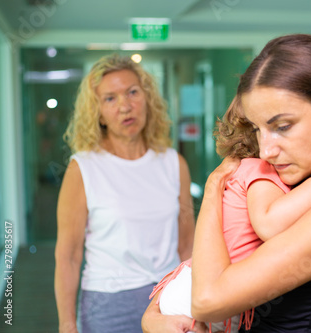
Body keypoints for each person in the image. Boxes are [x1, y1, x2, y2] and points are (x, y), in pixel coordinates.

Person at [142, 33, 311, 333]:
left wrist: (212, 191)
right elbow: (215, 266)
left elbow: (207, 302)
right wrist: (154, 316)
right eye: (258, 129)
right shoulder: (296, 186)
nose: (267, 149)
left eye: (282, 127)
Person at [55, 54, 195, 333]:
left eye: (132, 92)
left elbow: (187, 242)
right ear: (97, 112)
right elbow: (68, 255)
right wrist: (67, 324)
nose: (125, 106)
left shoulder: (172, 162)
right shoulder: (83, 167)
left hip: (167, 297)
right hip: (108, 303)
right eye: (110, 98)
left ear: (147, 98)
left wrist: (197, 299)